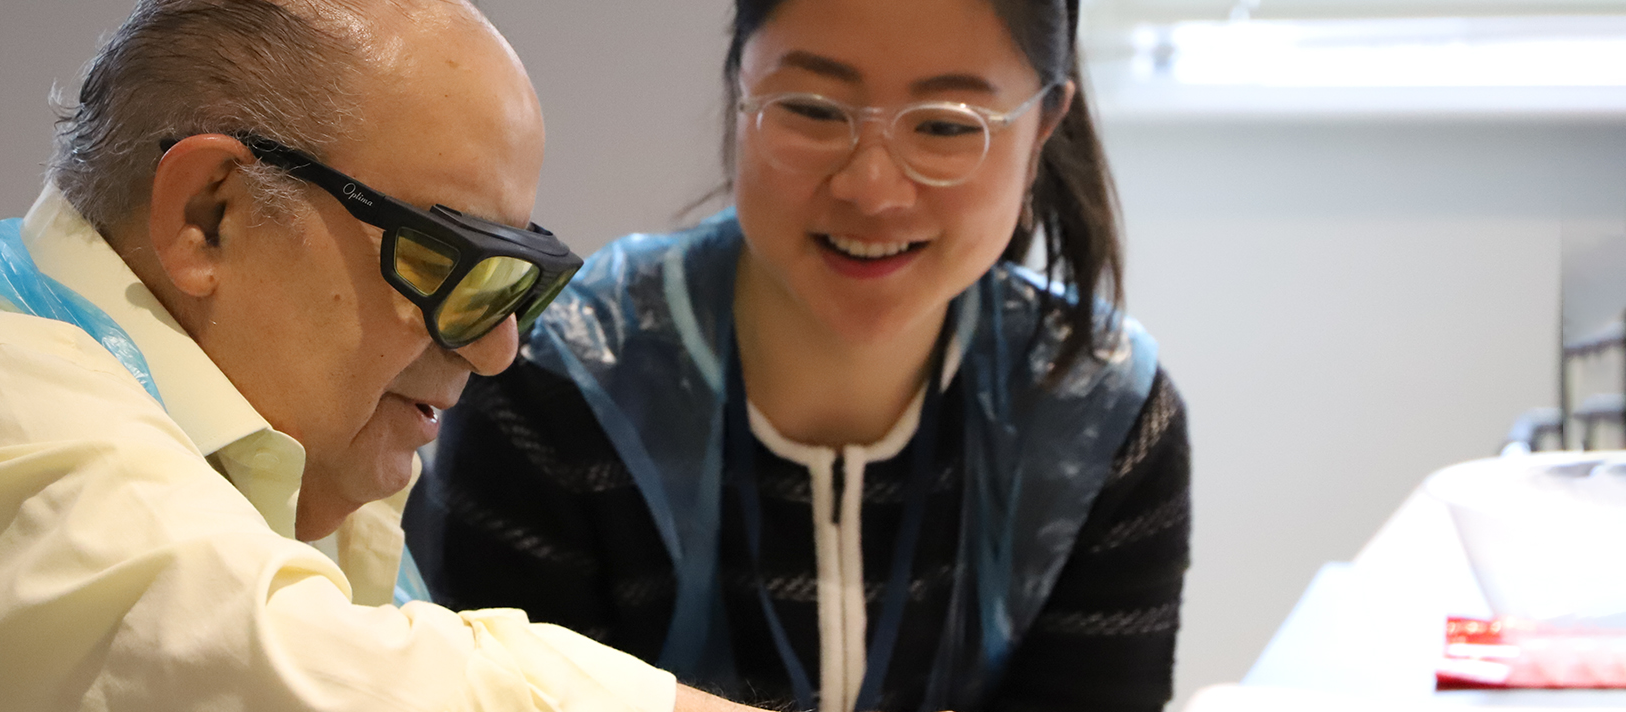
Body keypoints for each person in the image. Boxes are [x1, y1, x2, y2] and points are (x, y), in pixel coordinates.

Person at [0, 1, 770, 710]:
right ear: (208, 214)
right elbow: (302, 673)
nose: (496, 350)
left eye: (521, 284)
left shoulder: (266, 452)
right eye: (450, 262)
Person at [406, 0, 1191, 710]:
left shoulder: (1101, 419)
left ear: (1045, 125)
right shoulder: (555, 383)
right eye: (813, 109)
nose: (873, 188)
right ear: (738, 92)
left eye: (948, 125)